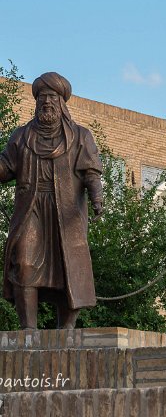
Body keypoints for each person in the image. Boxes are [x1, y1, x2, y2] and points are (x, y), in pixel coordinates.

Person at [0, 72, 103, 329]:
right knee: (23, 261)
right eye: (42, 97)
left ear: (61, 103)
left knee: (69, 267)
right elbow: (5, 167)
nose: (47, 102)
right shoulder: (22, 136)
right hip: (31, 209)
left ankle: (66, 331)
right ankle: (29, 330)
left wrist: (97, 198)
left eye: (52, 97)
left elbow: (91, 172)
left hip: (66, 213)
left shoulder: (80, 136)